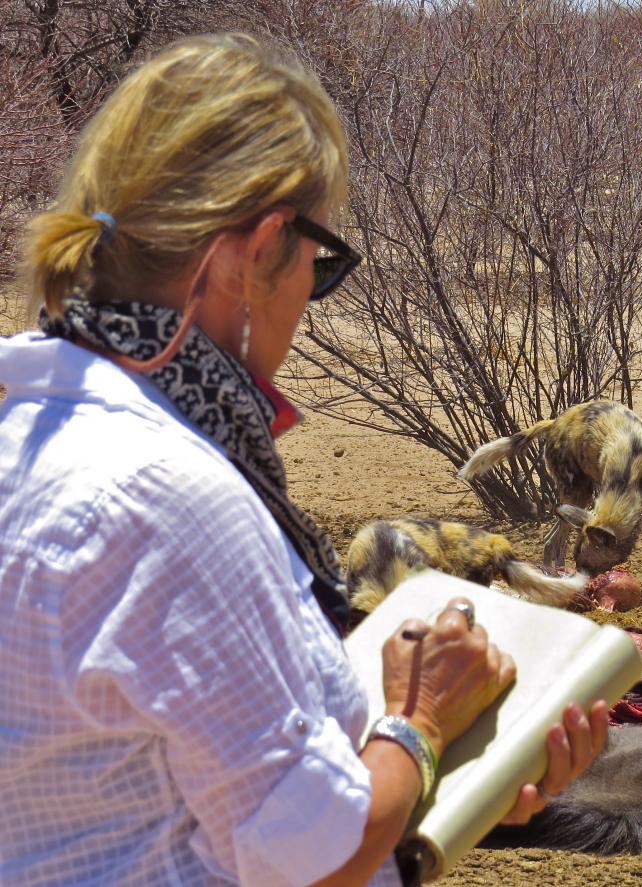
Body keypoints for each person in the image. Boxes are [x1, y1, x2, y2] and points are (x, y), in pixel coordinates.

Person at [0, 33, 607, 887]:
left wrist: (466, 773)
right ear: (262, 249)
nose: (309, 304)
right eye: (319, 268)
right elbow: (317, 853)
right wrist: (422, 724)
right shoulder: (174, 496)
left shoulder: (30, 429)